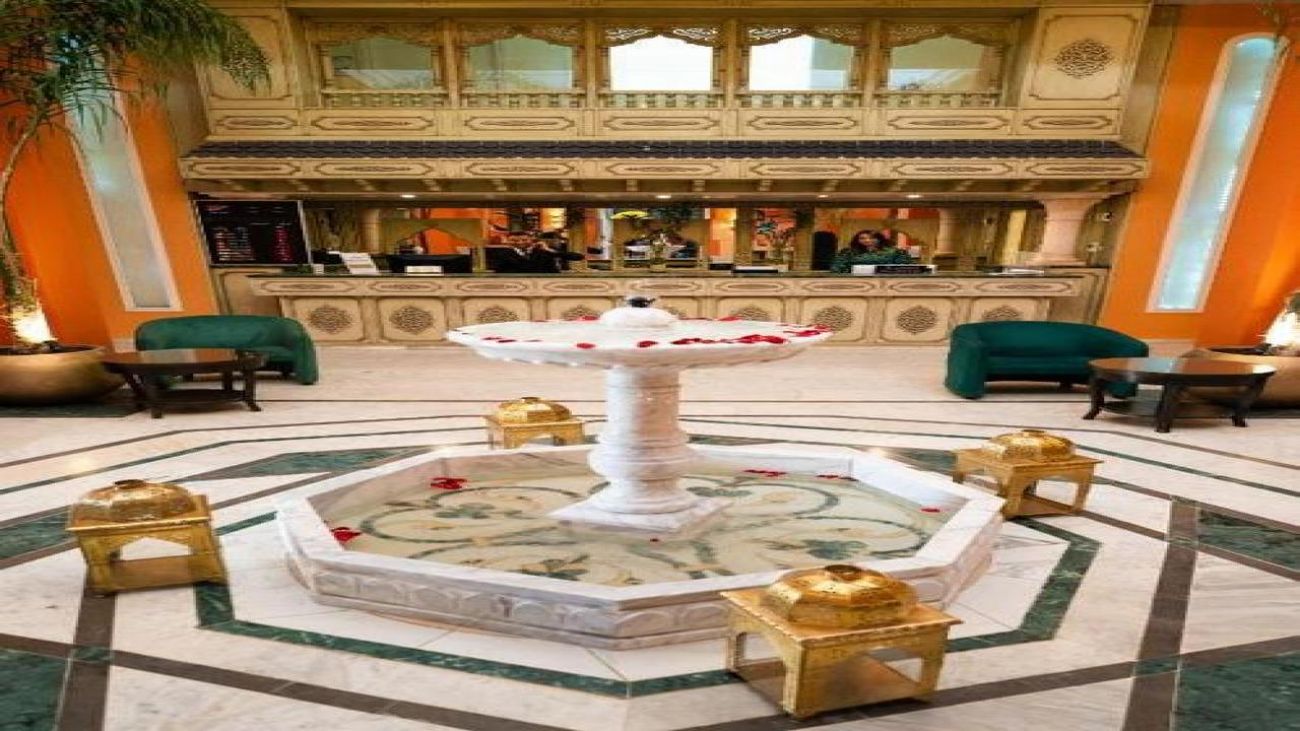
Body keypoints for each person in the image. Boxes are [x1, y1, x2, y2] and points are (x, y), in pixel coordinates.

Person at [489, 230, 584, 274]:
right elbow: (498, 272)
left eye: (524, 240)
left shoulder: (543, 251)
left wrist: (549, 250)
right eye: (514, 240)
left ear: (531, 240)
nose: (520, 242)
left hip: (546, 289)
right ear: (508, 242)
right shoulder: (501, 254)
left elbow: (578, 257)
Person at [830, 229, 913, 273]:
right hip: (854, 281)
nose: (867, 240)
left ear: (879, 239)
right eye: (862, 238)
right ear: (857, 240)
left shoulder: (895, 252)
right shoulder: (847, 252)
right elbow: (836, 268)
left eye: (872, 238)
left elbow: (905, 268)